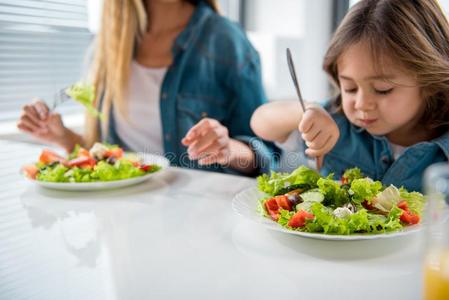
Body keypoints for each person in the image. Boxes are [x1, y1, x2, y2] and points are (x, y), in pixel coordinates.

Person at [16, 0, 275, 175]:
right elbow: (108, 155)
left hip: (199, 225)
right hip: (125, 224)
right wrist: (62, 136)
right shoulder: (109, 45)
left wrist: (228, 148)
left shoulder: (226, 41)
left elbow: (267, 158)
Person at [250, 0, 449, 192]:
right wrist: (307, 112)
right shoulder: (334, 122)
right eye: (350, 88)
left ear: (429, 82)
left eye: (382, 89)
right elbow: (261, 121)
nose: (361, 104)